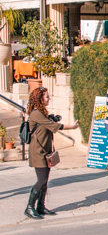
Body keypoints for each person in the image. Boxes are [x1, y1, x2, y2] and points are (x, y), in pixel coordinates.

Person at [24, 86, 78, 219]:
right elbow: (53, 127)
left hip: (45, 150)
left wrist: (52, 118)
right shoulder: (36, 113)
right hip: (38, 152)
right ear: (40, 99)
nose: (49, 98)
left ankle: (40, 207)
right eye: (46, 96)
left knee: (45, 180)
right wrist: (72, 126)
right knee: (41, 180)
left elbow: (48, 123)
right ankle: (29, 207)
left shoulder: (41, 113)